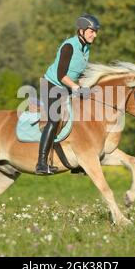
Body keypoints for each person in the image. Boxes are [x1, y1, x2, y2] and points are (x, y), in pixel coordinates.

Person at [35, 14, 100, 175]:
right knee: (54, 118)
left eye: (95, 32)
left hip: (67, 87)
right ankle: (41, 163)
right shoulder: (69, 46)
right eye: (91, 31)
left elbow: (79, 73)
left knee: (84, 114)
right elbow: (61, 75)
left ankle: (78, 162)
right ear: (81, 30)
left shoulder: (86, 48)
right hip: (52, 85)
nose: (95, 35)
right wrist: (76, 88)